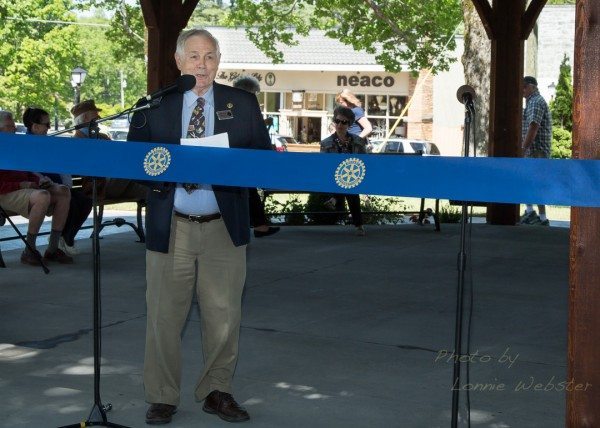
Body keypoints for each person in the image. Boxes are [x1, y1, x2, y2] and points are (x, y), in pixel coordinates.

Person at [127, 28, 271, 425]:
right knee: (163, 317)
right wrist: (165, 171)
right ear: (178, 61)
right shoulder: (154, 105)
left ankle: (217, 391)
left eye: (209, 56)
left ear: (219, 61)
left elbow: (262, 159)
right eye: (193, 56)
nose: (202, 65)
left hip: (223, 227)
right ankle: (161, 396)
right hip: (170, 226)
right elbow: (133, 165)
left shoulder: (241, 103)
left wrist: (234, 166)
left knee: (224, 317)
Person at [0, 110, 73, 265]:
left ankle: (52, 249)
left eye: (13, 125)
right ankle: (30, 250)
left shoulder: (15, 146)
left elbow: (25, 171)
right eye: (8, 126)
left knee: (63, 192)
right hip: (5, 192)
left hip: (21, 189)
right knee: (43, 196)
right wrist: (22, 184)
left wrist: (39, 181)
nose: (13, 129)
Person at [24, 107, 93, 255]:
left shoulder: (48, 143)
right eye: (46, 125)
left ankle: (65, 238)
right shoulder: (25, 144)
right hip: (40, 186)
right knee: (72, 202)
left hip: (56, 186)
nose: (49, 128)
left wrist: (66, 184)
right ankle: (59, 242)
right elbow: (28, 170)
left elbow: (61, 165)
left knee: (85, 201)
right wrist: (45, 180)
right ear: (35, 126)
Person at [232, 74, 280, 238]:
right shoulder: (246, 107)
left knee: (248, 192)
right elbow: (257, 133)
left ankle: (260, 225)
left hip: (237, 158)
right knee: (248, 192)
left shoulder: (230, 107)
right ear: (249, 93)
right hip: (246, 157)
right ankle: (259, 226)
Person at [71, 100, 147, 202]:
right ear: (85, 118)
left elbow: (118, 154)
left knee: (152, 191)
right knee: (128, 166)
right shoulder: (75, 143)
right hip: (98, 187)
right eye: (96, 117)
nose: (100, 119)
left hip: (115, 182)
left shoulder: (102, 137)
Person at [320, 106, 366, 236]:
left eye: (344, 122)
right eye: (337, 121)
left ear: (349, 124)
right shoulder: (326, 142)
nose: (340, 124)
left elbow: (366, 161)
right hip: (333, 177)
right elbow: (323, 165)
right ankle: (359, 225)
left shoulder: (358, 141)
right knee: (349, 188)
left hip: (355, 176)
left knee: (349, 184)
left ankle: (334, 199)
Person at [520, 76, 553, 226]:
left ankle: (540, 217)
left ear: (531, 87)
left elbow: (533, 126)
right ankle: (533, 213)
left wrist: (523, 147)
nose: (522, 90)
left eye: (524, 87)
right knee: (529, 181)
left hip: (536, 150)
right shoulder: (532, 102)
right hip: (535, 149)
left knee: (535, 182)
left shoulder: (535, 102)